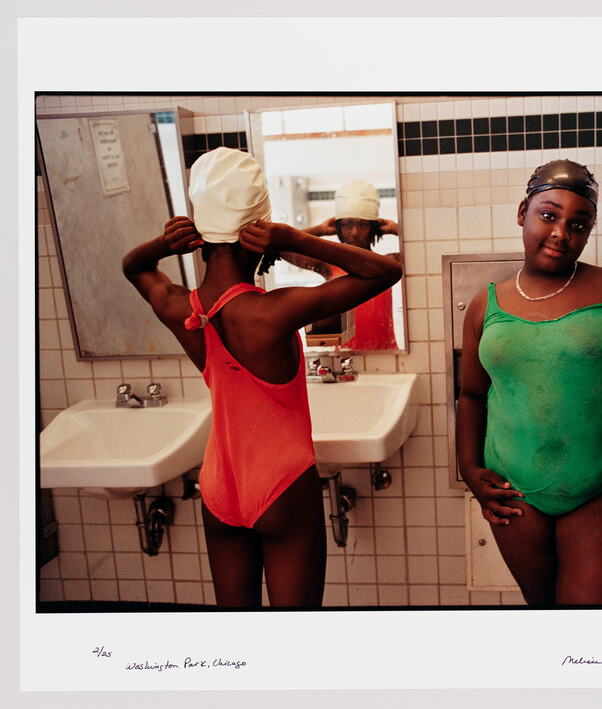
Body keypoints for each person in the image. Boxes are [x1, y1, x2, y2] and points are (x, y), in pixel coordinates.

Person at [122, 148, 402, 607]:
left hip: (218, 484)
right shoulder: (274, 312)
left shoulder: (180, 307)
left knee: (240, 634)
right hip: (282, 484)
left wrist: (163, 244)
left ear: (202, 234)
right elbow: (386, 270)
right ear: (261, 233)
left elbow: (134, 267)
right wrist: (300, 239)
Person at [456, 160, 602, 606]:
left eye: (578, 224)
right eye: (549, 215)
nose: (562, 232)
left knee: (594, 637)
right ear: (523, 211)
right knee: (547, 623)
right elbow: (471, 396)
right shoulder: (486, 304)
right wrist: (469, 469)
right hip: (515, 494)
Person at [279, 180, 400, 350]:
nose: (355, 233)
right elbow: (282, 248)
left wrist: (396, 228)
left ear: (374, 227)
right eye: (346, 225)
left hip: (388, 358)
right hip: (344, 360)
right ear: (338, 227)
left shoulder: (388, 266)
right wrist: (320, 229)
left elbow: (422, 250)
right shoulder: (329, 266)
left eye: (363, 225)